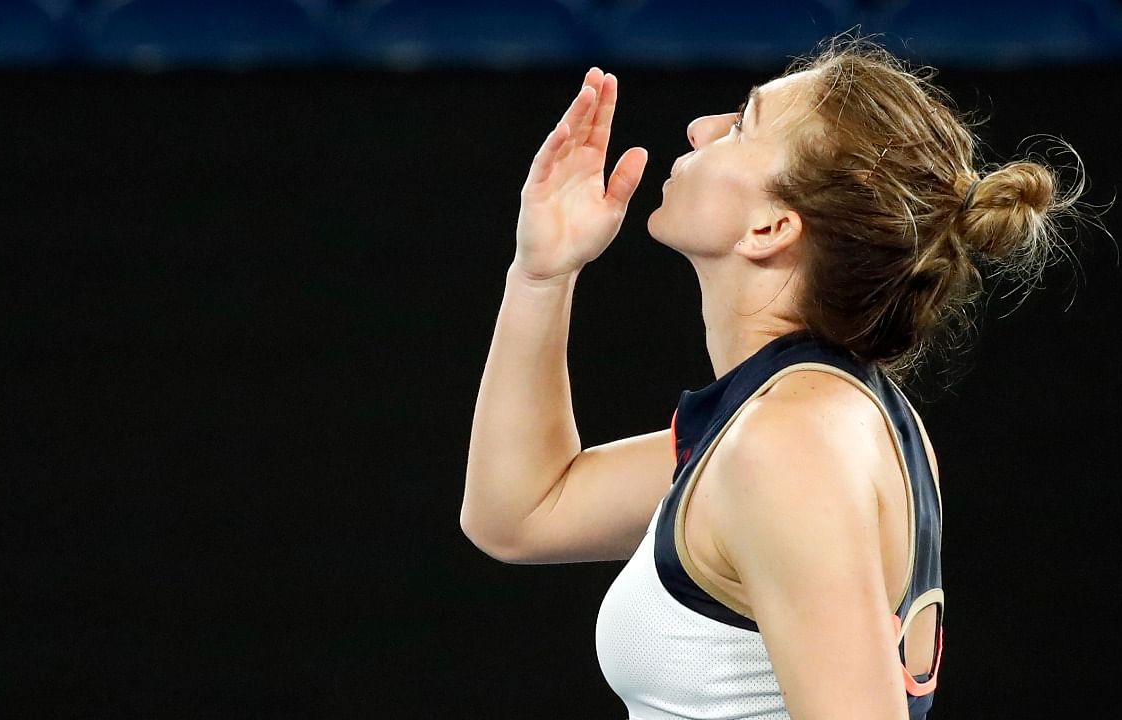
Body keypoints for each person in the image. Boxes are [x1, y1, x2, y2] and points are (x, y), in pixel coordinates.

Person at [460, 38, 1082, 720]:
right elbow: (520, 514)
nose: (699, 130)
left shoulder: (790, 445)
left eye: (742, 124)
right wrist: (542, 276)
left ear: (771, 227)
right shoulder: (795, 416)